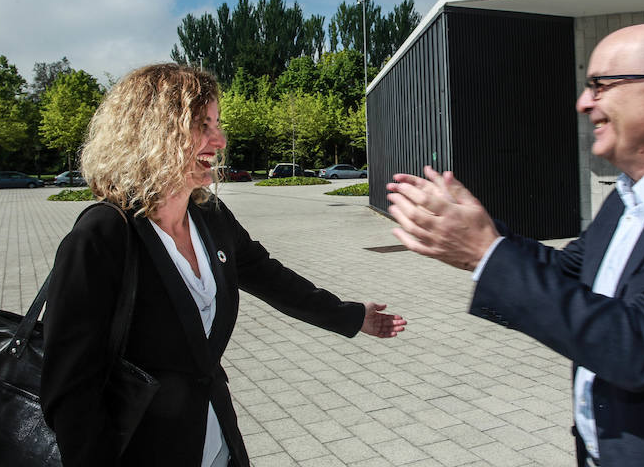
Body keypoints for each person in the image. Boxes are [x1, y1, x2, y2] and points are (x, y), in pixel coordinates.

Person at [386, 23, 644, 466]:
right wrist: (479, 235)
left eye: (600, 86)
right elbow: (569, 273)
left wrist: (486, 252)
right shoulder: (630, 195)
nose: (584, 103)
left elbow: (641, 348)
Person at [41, 63, 406, 467]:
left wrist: (352, 316)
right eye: (202, 124)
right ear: (152, 133)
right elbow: (70, 389)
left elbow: (270, 277)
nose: (221, 139)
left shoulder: (210, 216)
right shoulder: (103, 236)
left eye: (217, 123)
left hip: (216, 442)